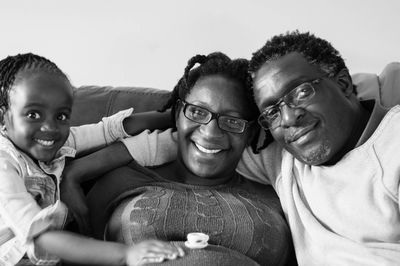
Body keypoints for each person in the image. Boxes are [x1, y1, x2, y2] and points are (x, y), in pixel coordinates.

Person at [80, 31, 400, 265]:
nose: (289, 118)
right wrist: (78, 171)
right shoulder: (285, 154)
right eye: (272, 110)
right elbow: (203, 143)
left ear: (344, 83)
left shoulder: (392, 143)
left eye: (301, 92)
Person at [65, 52, 292, 265]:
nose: (211, 132)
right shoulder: (122, 180)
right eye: (197, 112)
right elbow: (77, 255)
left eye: (232, 121)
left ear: (251, 132)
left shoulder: (279, 194)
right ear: (177, 115)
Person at [0, 53, 183, 266]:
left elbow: (109, 130)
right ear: (3, 119)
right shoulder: (4, 164)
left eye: (61, 116)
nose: (50, 128)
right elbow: (42, 236)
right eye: (33, 115)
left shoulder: (54, 141)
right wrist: (126, 254)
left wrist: (176, 117)